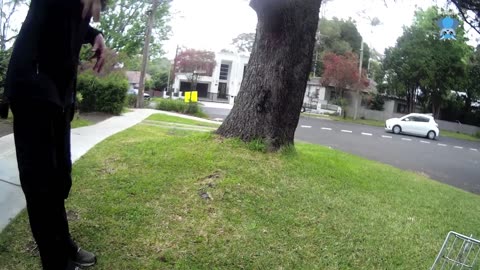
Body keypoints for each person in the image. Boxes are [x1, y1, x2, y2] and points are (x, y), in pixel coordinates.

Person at [4, 0, 107, 269]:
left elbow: (72, 22)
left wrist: (95, 34)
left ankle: (63, 244)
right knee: (40, 184)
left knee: (59, 177)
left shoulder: (80, 8)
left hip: (59, 96)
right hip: (32, 90)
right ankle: (54, 260)